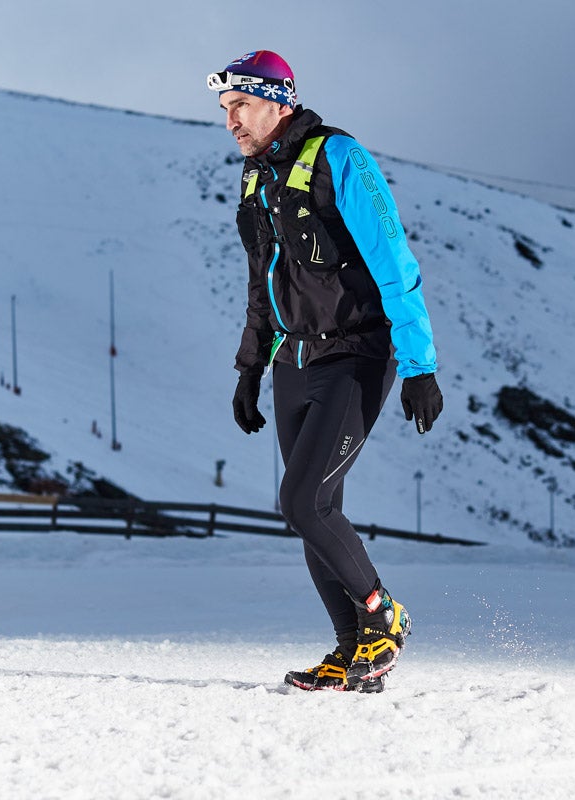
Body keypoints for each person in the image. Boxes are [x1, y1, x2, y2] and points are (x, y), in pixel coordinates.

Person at [208, 50, 444, 693]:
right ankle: (353, 652)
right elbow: (262, 283)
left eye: (241, 105)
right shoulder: (255, 180)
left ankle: (382, 615)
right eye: (225, 110)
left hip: (355, 356)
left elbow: (394, 258)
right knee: (314, 510)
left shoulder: (340, 157)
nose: (231, 120)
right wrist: (249, 368)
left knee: (302, 499)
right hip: (291, 360)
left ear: (278, 100)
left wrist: (419, 364)